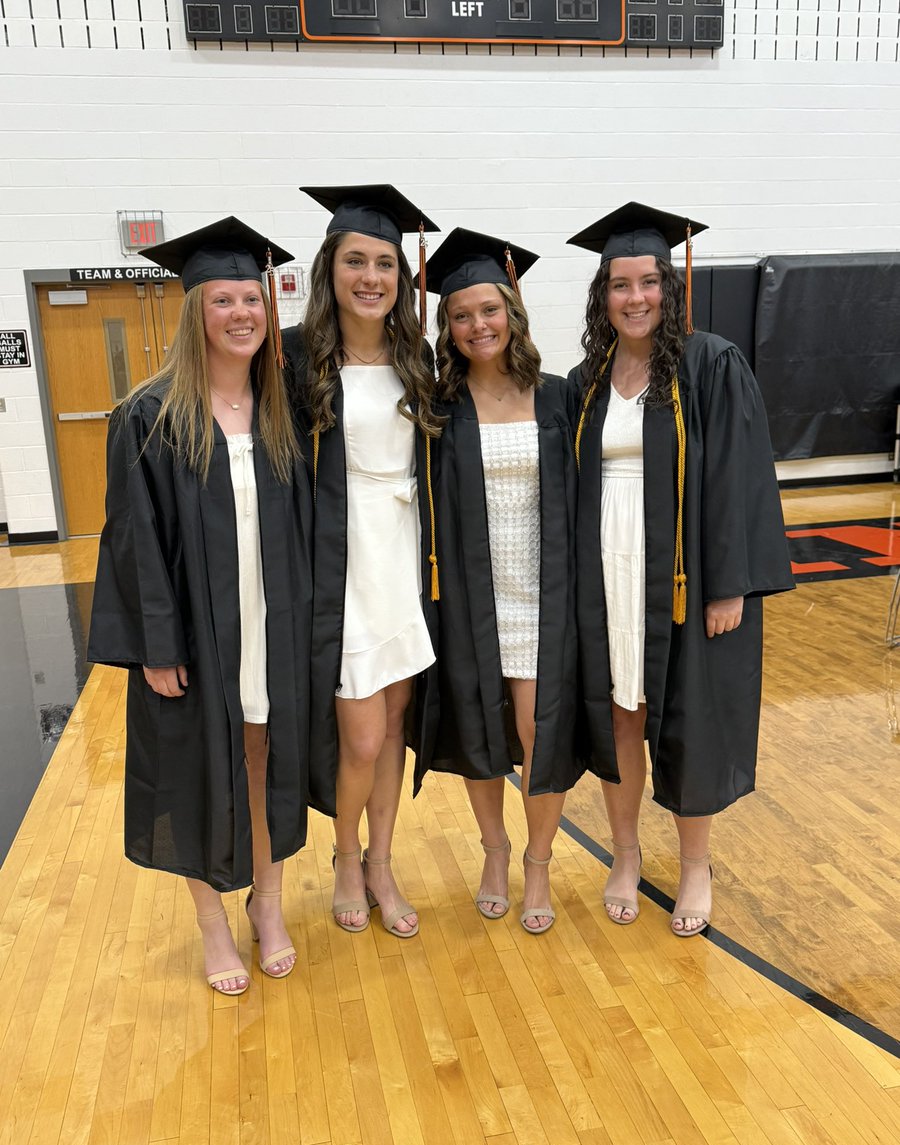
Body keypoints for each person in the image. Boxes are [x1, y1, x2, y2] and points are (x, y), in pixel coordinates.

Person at [88, 217, 312, 992]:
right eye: (223, 300)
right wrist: (157, 646)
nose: (242, 314)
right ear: (195, 313)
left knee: (266, 762)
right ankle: (212, 920)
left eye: (252, 298)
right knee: (194, 770)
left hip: (270, 625)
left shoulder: (282, 416)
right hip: (194, 635)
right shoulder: (148, 419)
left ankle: (269, 905)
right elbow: (133, 544)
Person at [566, 202, 794, 936]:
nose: (634, 298)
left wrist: (729, 582)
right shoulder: (588, 378)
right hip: (608, 568)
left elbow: (738, 475)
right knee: (619, 716)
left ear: (670, 286)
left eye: (646, 282)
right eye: (619, 284)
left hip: (686, 574)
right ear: (602, 296)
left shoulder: (710, 362)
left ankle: (695, 866)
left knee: (688, 718)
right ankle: (625, 854)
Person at [282, 185, 444, 938]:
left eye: (385, 262)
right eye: (356, 261)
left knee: (398, 721)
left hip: (404, 551)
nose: (372, 276)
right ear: (332, 268)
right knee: (363, 734)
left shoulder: (419, 358)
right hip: (342, 559)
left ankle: (383, 862)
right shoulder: (296, 357)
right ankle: (345, 858)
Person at [421, 228, 584, 934]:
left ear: (512, 311)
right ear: (447, 328)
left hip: (545, 599)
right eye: (461, 316)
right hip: (471, 598)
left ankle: (539, 863)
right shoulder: (437, 407)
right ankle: (494, 852)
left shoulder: (559, 398)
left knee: (538, 732)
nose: (476, 326)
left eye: (488, 310)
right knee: (481, 734)